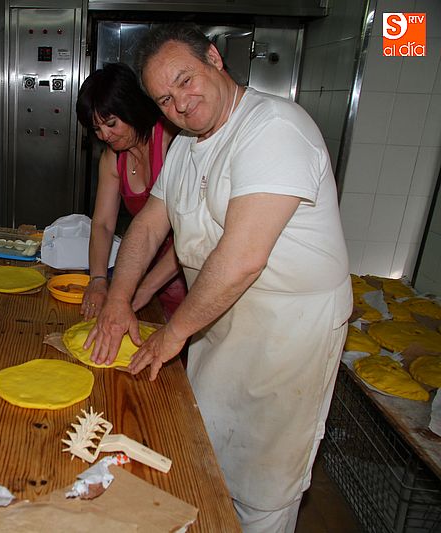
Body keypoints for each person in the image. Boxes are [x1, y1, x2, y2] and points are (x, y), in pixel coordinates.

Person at [86, 24, 352, 533]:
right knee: (206, 453)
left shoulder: (273, 127)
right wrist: (119, 298)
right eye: (164, 99)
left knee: (264, 480)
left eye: (185, 81)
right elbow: (148, 226)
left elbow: (243, 258)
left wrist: (172, 333)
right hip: (219, 321)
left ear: (213, 57)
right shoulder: (187, 145)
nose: (180, 104)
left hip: (288, 336)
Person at [75, 63, 185, 320]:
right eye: (97, 129)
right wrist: (98, 280)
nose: (105, 135)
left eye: (111, 123)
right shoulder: (113, 158)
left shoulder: (172, 141)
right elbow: (103, 224)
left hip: (185, 272)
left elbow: (189, 237)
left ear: (131, 108)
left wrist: (143, 289)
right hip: (143, 268)